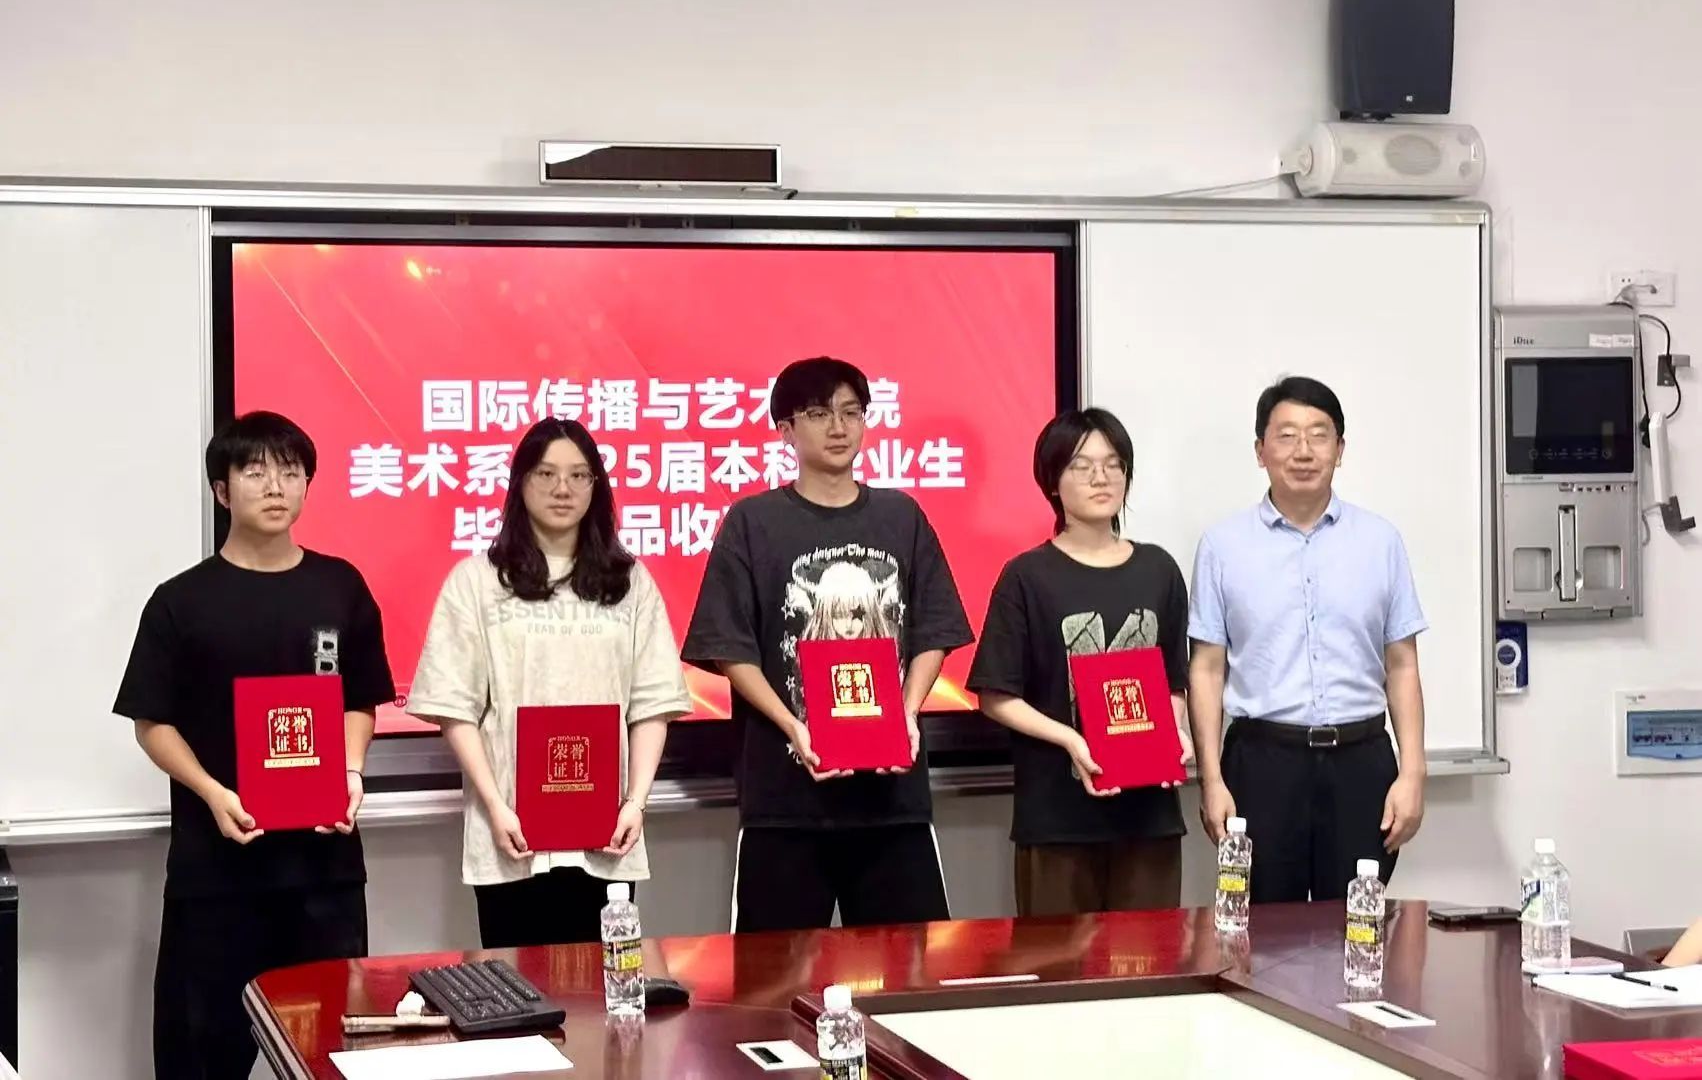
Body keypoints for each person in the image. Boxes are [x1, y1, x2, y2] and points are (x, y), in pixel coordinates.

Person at [112, 411, 395, 1080]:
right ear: (222, 490)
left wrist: (351, 772)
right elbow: (152, 723)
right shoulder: (180, 601)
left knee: (332, 1057)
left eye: (291, 472)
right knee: (202, 1059)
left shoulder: (340, 587)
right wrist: (212, 793)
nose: (275, 486)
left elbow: (359, 701)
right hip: (216, 876)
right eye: (255, 471)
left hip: (324, 874)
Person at [682, 356, 973, 933]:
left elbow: (934, 631)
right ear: (786, 431)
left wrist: (906, 714)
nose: (838, 428)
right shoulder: (752, 522)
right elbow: (730, 647)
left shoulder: (902, 516)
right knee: (773, 975)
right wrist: (794, 727)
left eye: (851, 412)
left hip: (892, 803)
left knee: (911, 971)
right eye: (819, 414)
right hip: (784, 803)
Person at [406, 417, 690, 948]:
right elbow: (455, 708)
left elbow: (652, 704)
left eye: (579, 475)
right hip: (511, 831)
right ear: (520, 482)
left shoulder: (630, 583)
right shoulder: (477, 581)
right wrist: (496, 806)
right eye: (546, 473)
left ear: (596, 487)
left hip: (607, 832)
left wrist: (636, 802)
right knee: (516, 988)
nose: (563, 488)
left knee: (604, 984)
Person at [1188, 376, 1428, 904]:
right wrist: (1211, 779)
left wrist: (1413, 771)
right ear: (1260, 451)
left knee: (1357, 925)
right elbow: (1206, 669)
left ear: (1340, 450)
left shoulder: (1380, 541)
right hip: (1262, 764)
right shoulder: (1223, 546)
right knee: (1264, 929)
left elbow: (1402, 664)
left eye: (1319, 435)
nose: (1303, 451)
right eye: (1287, 435)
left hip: (1361, 762)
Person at [967, 408, 1192, 917]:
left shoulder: (1159, 569)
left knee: (1151, 958)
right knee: (1058, 961)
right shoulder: (1027, 576)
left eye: (1113, 464)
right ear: (1052, 482)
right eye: (1082, 466)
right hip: (1058, 819)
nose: (1101, 478)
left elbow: (1173, 681)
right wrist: (1072, 740)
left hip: (1148, 816)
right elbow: (996, 695)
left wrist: (1174, 732)